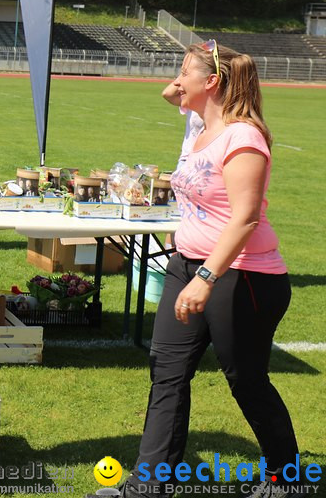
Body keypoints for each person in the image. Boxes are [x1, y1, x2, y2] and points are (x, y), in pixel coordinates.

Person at [122, 40, 298, 498]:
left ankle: (287, 479)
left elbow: (245, 218)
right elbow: (170, 94)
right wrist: (192, 68)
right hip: (187, 265)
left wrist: (206, 278)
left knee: (247, 382)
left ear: (213, 83)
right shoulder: (198, 123)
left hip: (243, 274)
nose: (176, 82)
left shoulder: (243, 138)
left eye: (185, 72)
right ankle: (149, 486)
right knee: (167, 372)